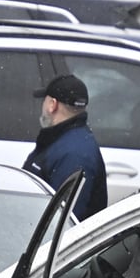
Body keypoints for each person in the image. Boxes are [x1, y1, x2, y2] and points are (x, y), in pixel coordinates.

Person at [24, 74, 108, 220]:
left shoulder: (74, 153)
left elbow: (62, 219)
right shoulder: (64, 141)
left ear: (52, 105)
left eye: (45, 100)